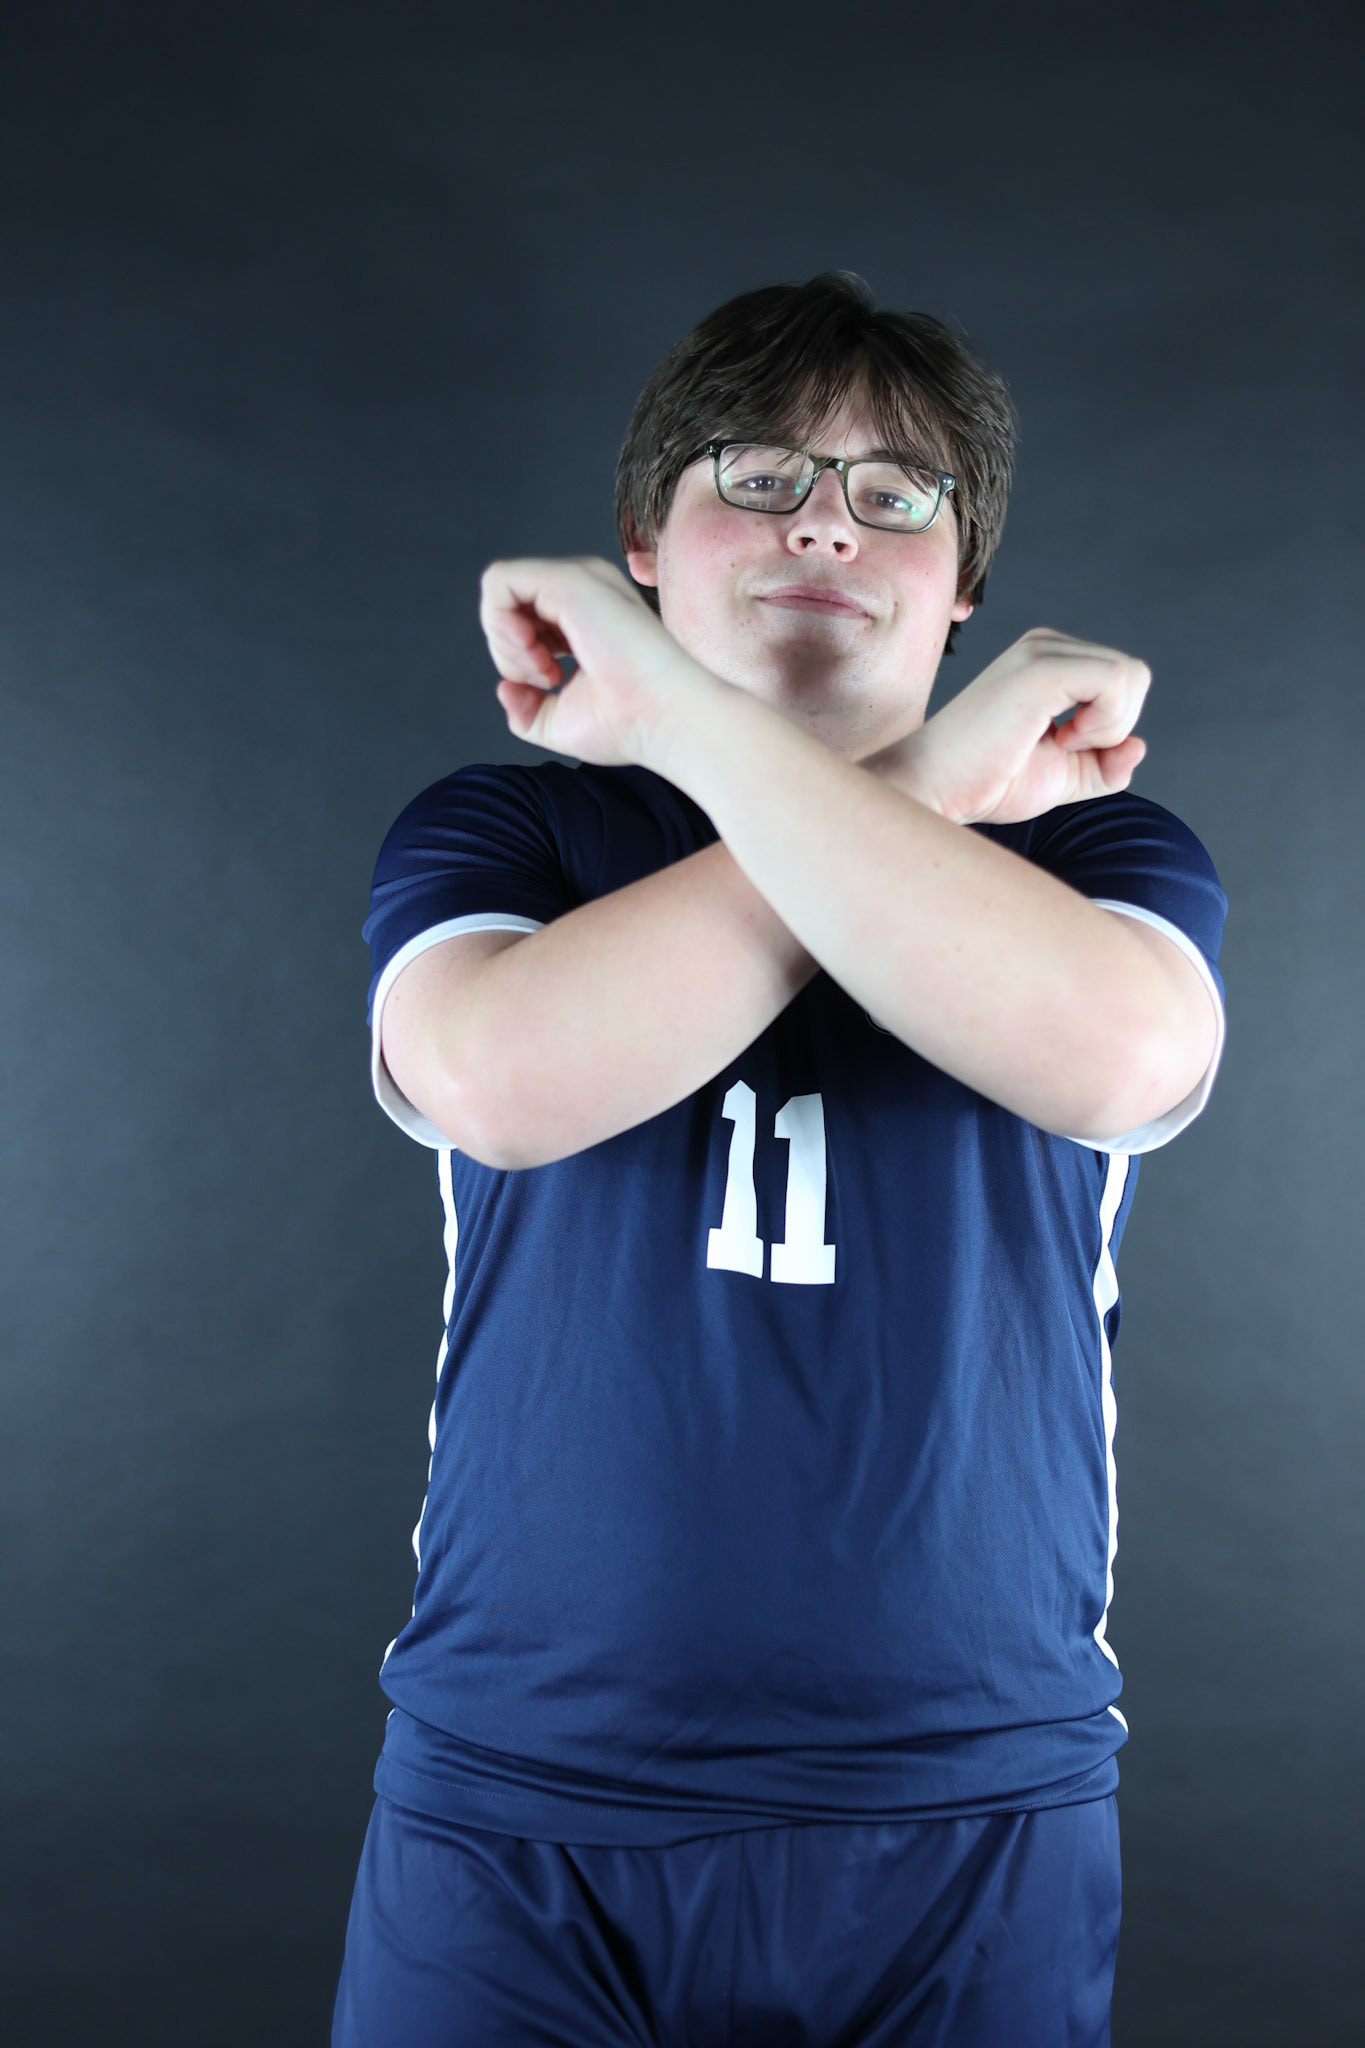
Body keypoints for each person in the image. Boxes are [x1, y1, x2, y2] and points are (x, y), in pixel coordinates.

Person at [333, 271, 1227, 2047]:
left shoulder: (1104, 841)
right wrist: (891, 766)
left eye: (897, 493)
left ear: (956, 586)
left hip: (969, 1813)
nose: (825, 517)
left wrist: (688, 714)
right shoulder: (512, 818)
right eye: (754, 473)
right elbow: (499, 1079)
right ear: (641, 550)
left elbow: (1118, 1054)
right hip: (523, 1805)